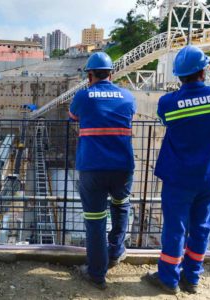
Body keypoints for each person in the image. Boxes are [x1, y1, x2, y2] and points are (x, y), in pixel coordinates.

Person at [145, 45, 210, 294]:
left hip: (178, 177)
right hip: (208, 176)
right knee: (202, 227)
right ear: (203, 71)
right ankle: (192, 278)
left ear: (179, 75)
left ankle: (168, 280)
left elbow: (167, 120)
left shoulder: (168, 103)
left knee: (175, 228)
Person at [69, 52, 136, 290]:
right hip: (122, 167)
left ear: (89, 75)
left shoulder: (83, 96)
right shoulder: (127, 96)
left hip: (93, 167)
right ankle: (116, 252)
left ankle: (97, 273)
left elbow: (73, 115)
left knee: (95, 220)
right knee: (121, 207)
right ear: (112, 73)